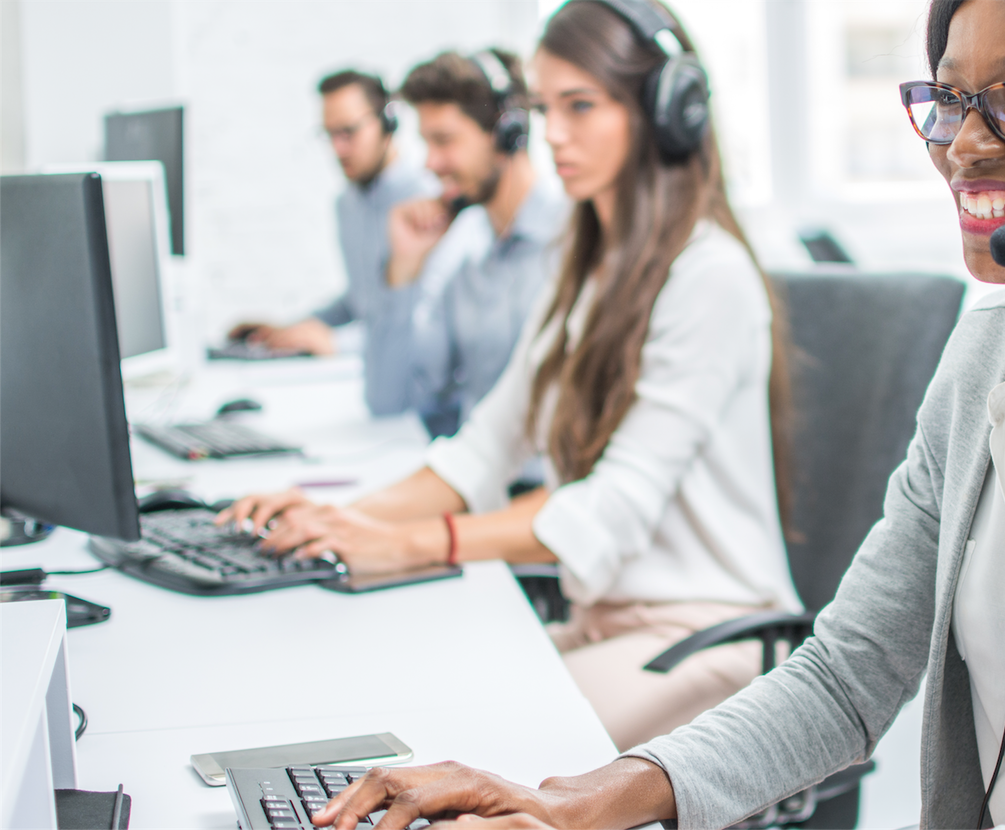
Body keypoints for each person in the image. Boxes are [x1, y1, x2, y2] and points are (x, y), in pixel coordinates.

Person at [307, 1, 1005, 829]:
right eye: (948, 97)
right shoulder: (988, 355)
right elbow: (845, 676)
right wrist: (571, 800)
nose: (964, 143)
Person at [220, 0, 801, 754]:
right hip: (605, 621)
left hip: (708, 634)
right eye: (542, 107)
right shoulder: (586, 266)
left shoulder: (707, 276)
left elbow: (606, 510)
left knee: (474, 757)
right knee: (393, 710)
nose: (551, 133)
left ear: (668, 112)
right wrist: (338, 520)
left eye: (580, 106)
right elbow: (483, 450)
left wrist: (409, 544)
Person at [229, 70, 438, 416]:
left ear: (388, 123)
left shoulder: (426, 204)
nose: (338, 149)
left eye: (348, 132)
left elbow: (420, 321)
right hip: (371, 393)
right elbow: (361, 300)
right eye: (329, 135)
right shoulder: (348, 205)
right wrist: (294, 329)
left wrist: (334, 342)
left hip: (413, 404)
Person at [390, 49, 567, 437]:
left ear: (507, 134)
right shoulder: (465, 265)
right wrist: (406, 268)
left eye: (444, 140)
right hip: (480, 486)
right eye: (426, 143)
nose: (430, 163)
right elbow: (402, 401)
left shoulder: (572, 244)